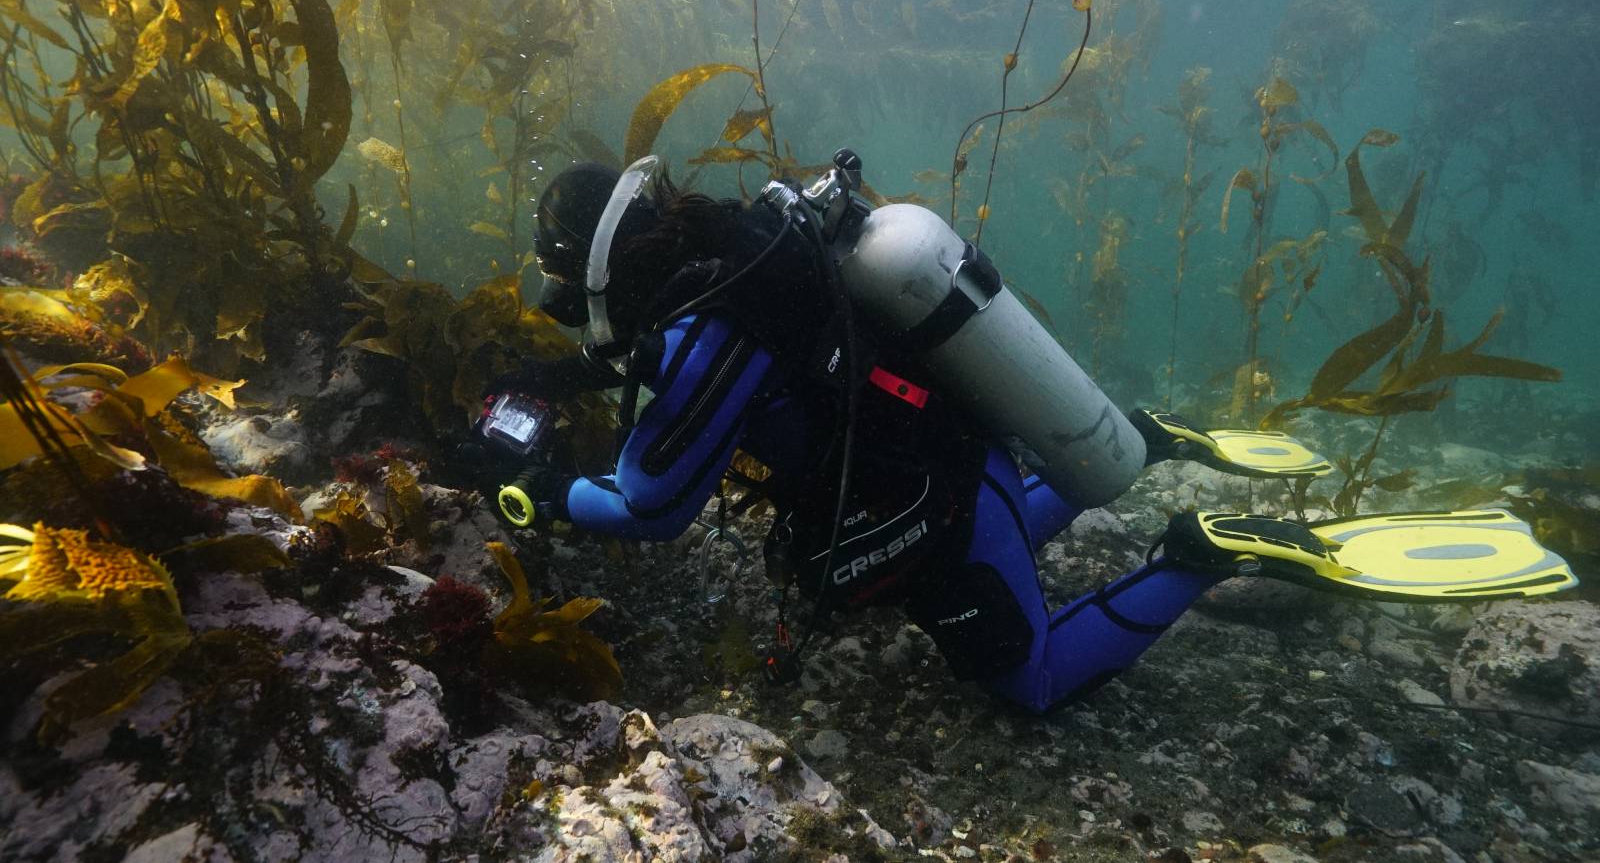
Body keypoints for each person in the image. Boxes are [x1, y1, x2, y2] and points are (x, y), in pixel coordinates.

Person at [490, 159, 1576, 715]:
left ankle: (1204, 553)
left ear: (599, 273)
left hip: (937, 496)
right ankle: (1133, 444)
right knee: (985, 532)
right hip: (965, 451)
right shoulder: (742, 245)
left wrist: (533, 485)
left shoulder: (705, 333)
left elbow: (650, 505)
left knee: (1034, 684)